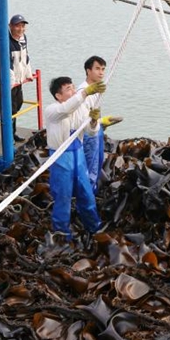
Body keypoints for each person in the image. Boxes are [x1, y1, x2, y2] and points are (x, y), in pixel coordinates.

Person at [44, 75, 106, 239]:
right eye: (68, 89)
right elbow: (65, 110)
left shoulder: (80, 108)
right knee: (63, 197)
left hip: (78, 156)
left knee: (86, 194)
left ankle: (94, 227)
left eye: (73, 87)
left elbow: (90, 132)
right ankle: (62, 233)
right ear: (58, 95)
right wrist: (85, 93)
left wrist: (94, 121)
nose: (73, 91)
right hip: (61, 157)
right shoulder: (52, 110)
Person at [77, 55, 123, 193]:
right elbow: (82, 119)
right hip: (88, 134)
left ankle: (92, 191)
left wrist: (102, 123)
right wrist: (99, 122)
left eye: (103, 69)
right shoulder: (83, 92)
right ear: (88, 71)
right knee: (90, 165)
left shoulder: (97, 89)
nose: (101, 72)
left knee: (97, 163)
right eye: (97, 69)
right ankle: (87, 195)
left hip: (97, 130)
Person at [8, 14, 33, 142]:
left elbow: (25, 57)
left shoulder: (23, 39)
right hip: (10, 82)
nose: (21, 29)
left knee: (18, 103)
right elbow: (7, 63)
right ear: (10, 26)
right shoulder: (6, 41)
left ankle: (12, 133)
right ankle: (9, 136)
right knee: (9, 109)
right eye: (17, 26)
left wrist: (28, 74)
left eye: (23, 26)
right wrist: (11, 82)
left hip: (19, 80)